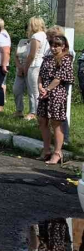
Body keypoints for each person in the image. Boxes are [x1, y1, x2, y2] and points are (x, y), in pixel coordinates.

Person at [37, 35, 74, 165]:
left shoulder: (66, 59)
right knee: (42, 120)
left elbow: (58, 79)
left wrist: (47, 89)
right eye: (52, 45)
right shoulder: (47, 59)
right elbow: (40, 75)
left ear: (63, 46)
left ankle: (57, 152)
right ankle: (46, 150)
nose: (54, 48)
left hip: (57, 93)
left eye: (57, 45)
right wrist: (40, 87)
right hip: (44, 93)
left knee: (56, 123)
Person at [16, 17, 48, 120]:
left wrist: (26, 67)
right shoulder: (45, 35)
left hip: (34, 65)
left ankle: (37, 115)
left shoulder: (36, 36)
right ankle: (39, 113)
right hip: (42, 64)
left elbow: (32, 55)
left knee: (35, 92)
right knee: (38, 90)